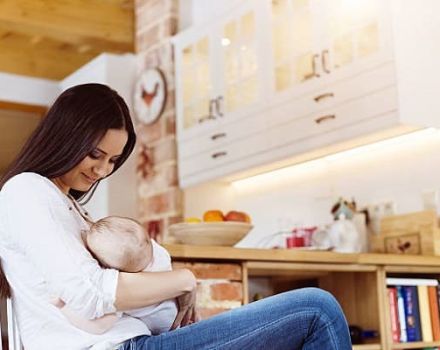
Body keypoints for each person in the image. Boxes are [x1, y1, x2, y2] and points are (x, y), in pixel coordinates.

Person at [0, 83, 352, 350]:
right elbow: (89, 292)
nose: (103, 170)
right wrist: (183, 279)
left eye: (113, 160)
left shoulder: (72, 207)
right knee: (316, 310)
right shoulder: (27, 190)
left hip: (132, 341)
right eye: (96, 154)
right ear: (67, 136)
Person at [51, 215, 177, 336]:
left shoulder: (127, 289)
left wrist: (64, 307)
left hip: (163, 329)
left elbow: (98, 327)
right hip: (176, 314)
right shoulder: (160, 254)